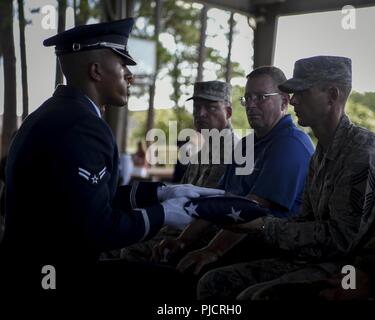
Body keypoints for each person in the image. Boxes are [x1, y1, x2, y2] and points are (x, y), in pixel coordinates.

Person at [0, 18, 223, 295]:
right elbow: (98, 228)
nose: (130, 75)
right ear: (96, 71)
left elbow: (88, 199)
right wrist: (163, 214)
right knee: (182, 287)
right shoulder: (82, 125)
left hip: (39, 267)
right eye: (122, 65)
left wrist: (162, 193)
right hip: (56, 275)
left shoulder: (54, 113)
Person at [196, 56, 375, 300]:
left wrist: (261, 226)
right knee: (215, 282)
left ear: (332, 95)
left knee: (257, 296)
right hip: (315, 258)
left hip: (350, 268)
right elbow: (306, 220)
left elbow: (342, 240)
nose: (292, 100)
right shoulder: (322, 152)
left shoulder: (363, 152)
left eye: (302, 92)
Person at [152, 66, 315, 275]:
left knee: (201, 276)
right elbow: (218, 203)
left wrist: (212, 251)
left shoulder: (290, 144)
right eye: (248, 98)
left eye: (261, 97)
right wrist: (182, 240)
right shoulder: (246, 145)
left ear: (284, 102)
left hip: (270, 248)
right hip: (239, 241)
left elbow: (250, 209)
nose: (252, 105)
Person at [121, 80, 238, 262]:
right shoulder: (203, 150)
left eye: (211, 107)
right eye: (197, 107)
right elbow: (180, 194)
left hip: (203, 236)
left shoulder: (233, 152)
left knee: (129, 250)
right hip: (177, 226)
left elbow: (213, 210)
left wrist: (178, 238)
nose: (200, 114)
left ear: (228, 112)